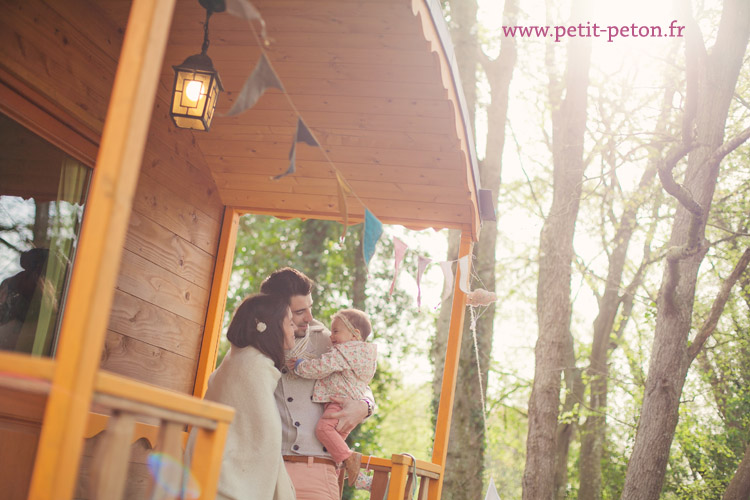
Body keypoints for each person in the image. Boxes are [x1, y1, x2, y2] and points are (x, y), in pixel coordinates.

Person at [260, 268, 374, 500]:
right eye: (300, 311)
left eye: (310, 307)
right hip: (269, 469)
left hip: (318, 469)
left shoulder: (328, 339)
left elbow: (359, 381)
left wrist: (365, 405)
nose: (310, 317)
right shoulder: (257, 344)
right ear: (275, 311)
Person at [186, 293, 296, 500]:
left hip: (209, 469)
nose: (294, 329)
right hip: (226, 478)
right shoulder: (253, 367)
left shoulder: (237, 360)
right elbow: (264, 440)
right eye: (290, 323)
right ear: (271, 327)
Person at [288, 308, 377, 486]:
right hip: (351, 405)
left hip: (339, 403)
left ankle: (350, 459)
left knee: (323, 430)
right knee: (334, 446)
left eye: (336, 331)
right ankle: (355, 477)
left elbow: (320, 367)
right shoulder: (366, 353)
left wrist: (299, 365)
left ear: (354, 334)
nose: (331, 336)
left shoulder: (344, 351)